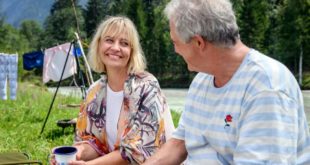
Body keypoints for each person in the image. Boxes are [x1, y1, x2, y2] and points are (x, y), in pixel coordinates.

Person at [144, 0, 310, 164]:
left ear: (198, 42)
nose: (175, 50)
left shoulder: (266, 87)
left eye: (175, 42)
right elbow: (179, 144)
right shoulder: (202, 80)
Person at [51, 16, 175, 165]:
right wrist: (76, 154)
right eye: (109, 40)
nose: (116, 48)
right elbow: (93, 142)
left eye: (124, 43)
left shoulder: (147, 87)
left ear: (131, 51)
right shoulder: (95, 91)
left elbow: (138, 153)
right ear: (99, 45)